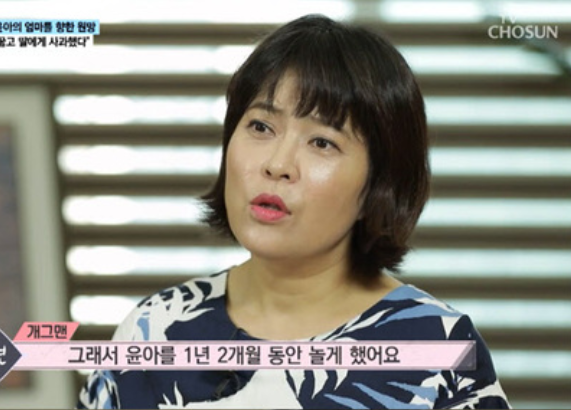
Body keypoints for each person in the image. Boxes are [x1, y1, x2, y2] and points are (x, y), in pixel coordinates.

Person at [78, 14, 510, 409]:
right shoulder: (154, 329)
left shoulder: (438, 349)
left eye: (322, 142)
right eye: (261, 126)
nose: (278, 164)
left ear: (378, 184)